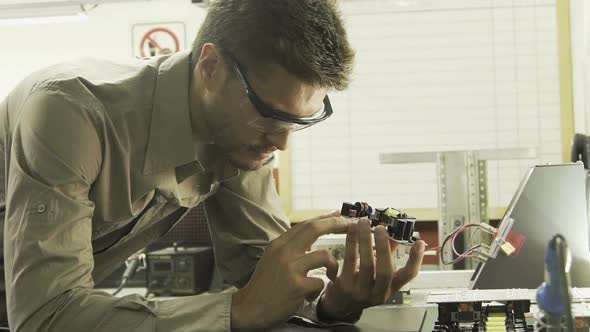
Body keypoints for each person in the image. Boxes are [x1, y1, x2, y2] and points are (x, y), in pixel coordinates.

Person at [0, 0, 425, 331]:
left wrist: (330, 302)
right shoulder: (71, 112)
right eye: (270, 116)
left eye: (299, 122)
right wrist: (237, 310)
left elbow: (264, 277)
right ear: (210, 67)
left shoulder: (240, 136)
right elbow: (45, 317)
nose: (281, 143)